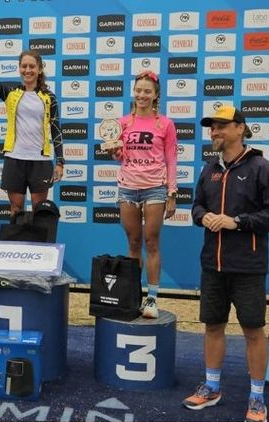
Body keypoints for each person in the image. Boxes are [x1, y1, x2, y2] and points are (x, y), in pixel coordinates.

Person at [184, 105, 269, 422]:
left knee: (253, 332)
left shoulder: (262, 168)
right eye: (211, 127)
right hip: (212, 264)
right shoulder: (208, 168)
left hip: (248, 266)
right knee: (213, 326)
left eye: (220, 126)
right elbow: (196, 207)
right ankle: (212, 387)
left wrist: (237, 222)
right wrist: (204, 216)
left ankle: (257, 397)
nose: (214, 132)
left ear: (240, 128)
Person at [0, 26, 64, 216]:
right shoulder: (10, 93)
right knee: (16, 210)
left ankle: (37, 246)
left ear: (40, 69)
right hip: (14, 159)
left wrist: (60, 162)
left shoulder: (49, 97)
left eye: (32, 66)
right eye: (24, 66)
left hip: (40, 161)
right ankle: (16, 246)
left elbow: (56, 129)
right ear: (19, 68)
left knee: (39, 211)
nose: (27, 70)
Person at [108, 71, 177, 320]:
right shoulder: (123, 122)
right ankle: (133, 296)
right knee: (134, 243)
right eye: (139, 90)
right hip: (128, 187)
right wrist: (114, 152)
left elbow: (171, 158)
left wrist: (172, 192)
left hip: (155, 187)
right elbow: (119, 156)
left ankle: (152, 298)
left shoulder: (165, 124)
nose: (142, 95)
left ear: (156, 95)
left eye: (147, 91)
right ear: (133, 92)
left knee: (152, 242)